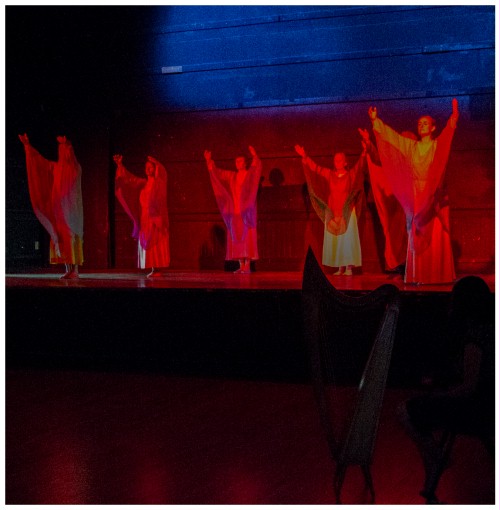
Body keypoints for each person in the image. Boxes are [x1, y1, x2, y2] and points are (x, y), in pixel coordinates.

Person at [398, 275, 494, 503]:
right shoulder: (491, 329)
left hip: (477, 408)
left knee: (405, 410)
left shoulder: (475, 336)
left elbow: (469, 387)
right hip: (488, 404)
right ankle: (433, 469)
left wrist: (442, 395)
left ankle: (436, 458)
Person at [368, 99, 459, 284]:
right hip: (417, 194)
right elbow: (393, 138)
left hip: (433, 194)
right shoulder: (412, 147)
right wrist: (376, 121)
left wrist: (454, 117)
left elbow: (448, 135)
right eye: (420, 123)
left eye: (426, 123)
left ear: (433, 128)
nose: (422, 125)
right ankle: (419, 274)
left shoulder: (436, 145)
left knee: (435, 234)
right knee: (416, 233)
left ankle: (438, 274)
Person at [295, 131, 367, 275]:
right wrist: (305, 156)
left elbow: (360, 166)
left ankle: (349, 267)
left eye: (340, 160)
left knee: (346, 240)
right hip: (333, 211)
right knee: (336, 241)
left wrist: (364, 152)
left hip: (346, 212)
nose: (337, 162)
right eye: (335, 160)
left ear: (345, 162)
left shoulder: (350, 175)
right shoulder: (329, 174)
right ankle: (340, 267)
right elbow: (315, 169)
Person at [18, 133, 84, 279]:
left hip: (71, 212)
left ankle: (75, 270)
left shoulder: (75, 168)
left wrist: (68, 144)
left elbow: (72, 159)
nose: (62, 152)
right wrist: (28, 147)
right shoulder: (56, 167)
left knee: (71, 236)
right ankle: (68, 268)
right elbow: (39, 162)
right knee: (61, 237)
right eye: (60, 149)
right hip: (58, 210)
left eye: (64, 150)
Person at [204, 146, 262, 274]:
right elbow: (218, 173)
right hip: (235, 211)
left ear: (245, 162)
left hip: (246, 211)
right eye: (236, 161)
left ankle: (247, 265)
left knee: (247, 237)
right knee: (237, 237)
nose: (238, 164)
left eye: (241, 161)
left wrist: (255, 156)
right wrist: (209, 161)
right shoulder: (232, 176)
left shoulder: (249, 174)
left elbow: (256, 169)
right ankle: (241, 264)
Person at [114, 154, 170, 277]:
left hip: (155, 218)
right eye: (146, 167)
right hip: (145, 218)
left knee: (156, 241)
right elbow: (130, 180)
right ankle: (153, 268)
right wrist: (120, 165)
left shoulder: (158, 183)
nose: (148, 169)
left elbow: (163, 174)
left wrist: (157, 163)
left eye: (151, 167)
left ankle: (157, 269)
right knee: (147, 241)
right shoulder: (143, 184)